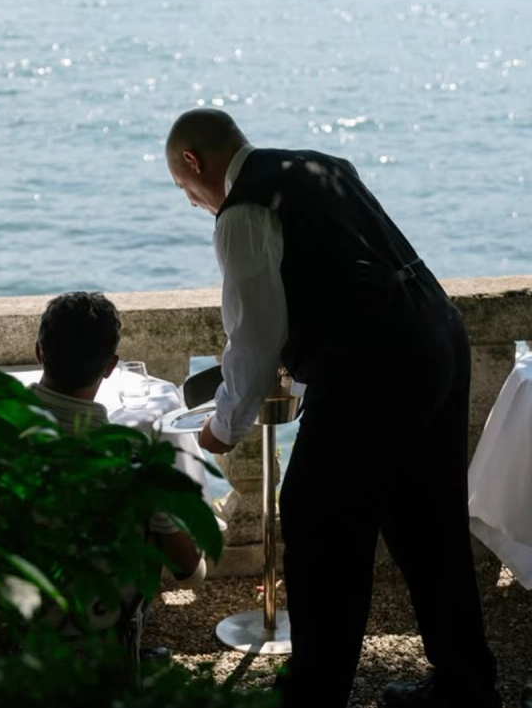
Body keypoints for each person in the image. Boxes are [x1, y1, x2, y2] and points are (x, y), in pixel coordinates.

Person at [165, 108, 500, 708]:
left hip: (374, 367)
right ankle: (467, 685)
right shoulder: (324, 167)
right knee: (430, 525)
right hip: (437, 335)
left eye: (184, 188)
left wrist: (222, 427)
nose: (191, 202)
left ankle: (314, 695)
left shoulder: (243, 210)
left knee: (317, 522)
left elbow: (255, 338)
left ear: (194, 162)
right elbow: (347, 273)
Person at [32, 290, 206, 586]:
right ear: (111, 367)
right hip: (98, 620)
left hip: (0, 617)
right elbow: (187, 569)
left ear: (38, 352)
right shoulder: (132, 456)